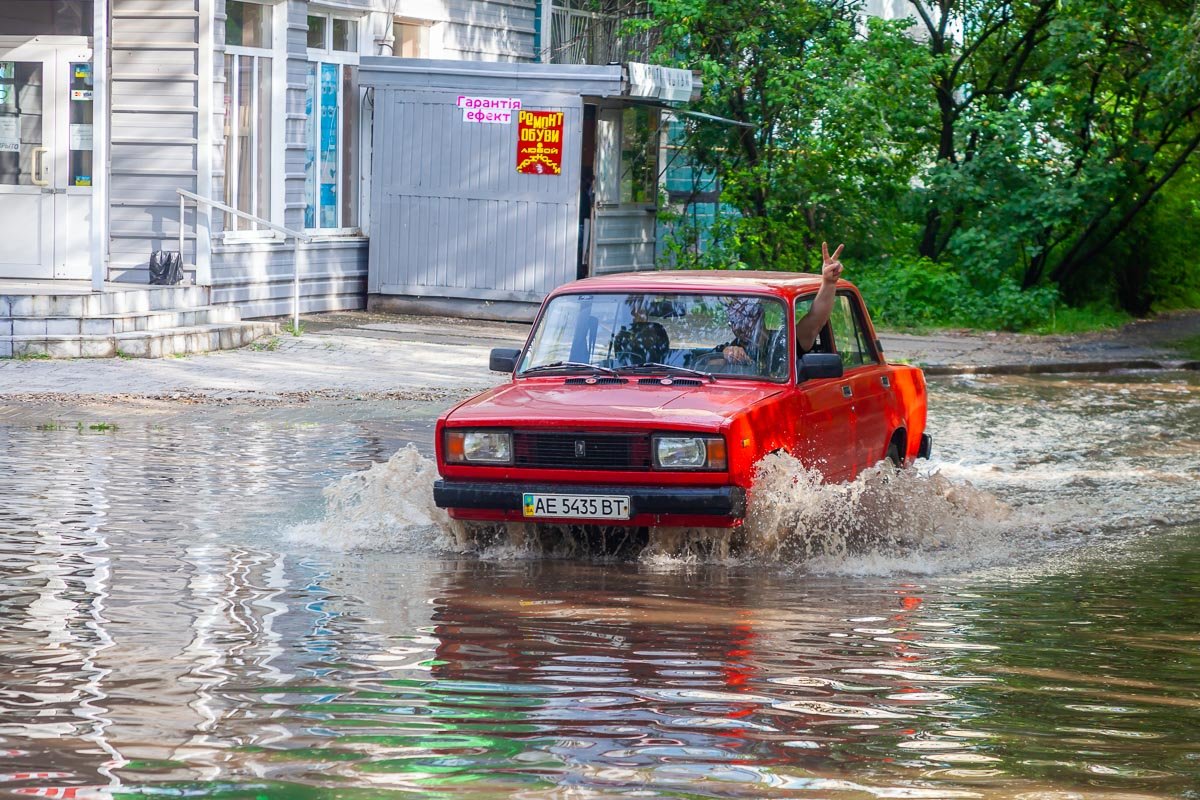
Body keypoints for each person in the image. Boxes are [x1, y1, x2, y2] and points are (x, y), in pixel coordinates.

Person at [720, 241, 844, 365]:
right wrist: (726, 355)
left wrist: (829, 283)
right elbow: (704, 367)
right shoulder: (731, 348)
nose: (741, 326)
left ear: (760, 316)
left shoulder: (784, 341)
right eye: (735, 321)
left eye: (746, 317)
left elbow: (815, 321)